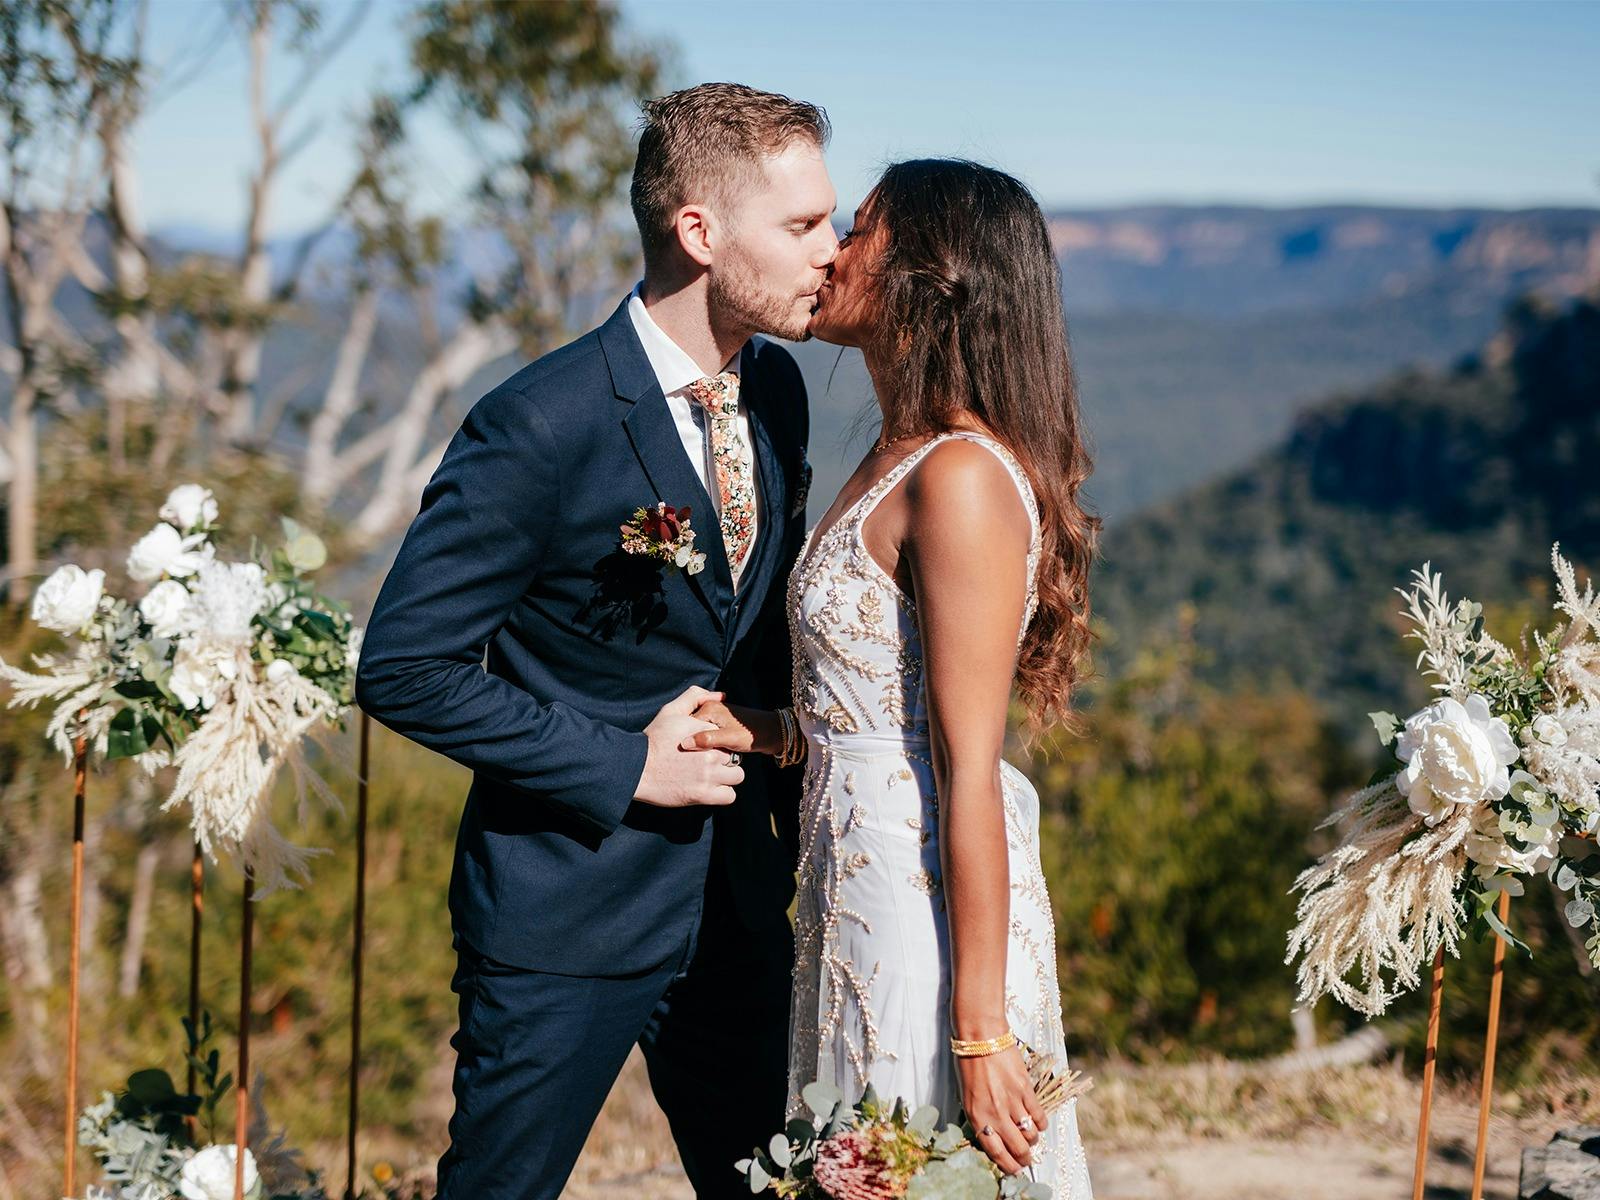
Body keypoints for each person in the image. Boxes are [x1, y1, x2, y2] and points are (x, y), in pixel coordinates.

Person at [354, 82, 837, 1200]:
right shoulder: (540, 424)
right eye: (803, 225)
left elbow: (746, 635)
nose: (833, 251)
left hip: (734, 903)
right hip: (562, 907)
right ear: (700, 232)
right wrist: (624, 763)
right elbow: (403, 666)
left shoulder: (775, 389)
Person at [689, 159, 1100, 1196]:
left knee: (915, 1157)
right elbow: (884, 704)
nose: (830, 250)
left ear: (929, 274)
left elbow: (970, 771)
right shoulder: (893, 451)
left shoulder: (959, 478)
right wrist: (775, 730)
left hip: (918, 905)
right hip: (851, 880)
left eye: (859, 229)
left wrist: (978, 1034)